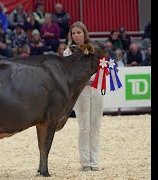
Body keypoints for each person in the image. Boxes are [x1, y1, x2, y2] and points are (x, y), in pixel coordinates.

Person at [63, 21, 104, 172]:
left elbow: (101, 68)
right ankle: (85, 162)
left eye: (79, 32)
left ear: (84, 33)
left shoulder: (94, 49)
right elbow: (69, 74)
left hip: (96, 88)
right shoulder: (68, 53)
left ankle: (94, 161)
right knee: (83, 127)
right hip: (80, 92)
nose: (76, 35)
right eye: (73, 33)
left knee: (95, 126)